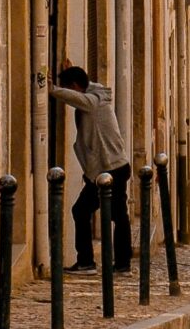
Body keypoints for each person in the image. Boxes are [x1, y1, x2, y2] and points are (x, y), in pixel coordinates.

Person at [46, 65, 129, 271]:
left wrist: (52, 90)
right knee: (89, 212)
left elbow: (82, 101)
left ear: (74, 86)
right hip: (106, 168)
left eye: (69, 88)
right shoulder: (96, 94)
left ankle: (109, 262)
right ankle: (96, 261)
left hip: (111, 168)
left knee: (112, 215)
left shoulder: (95, 101)